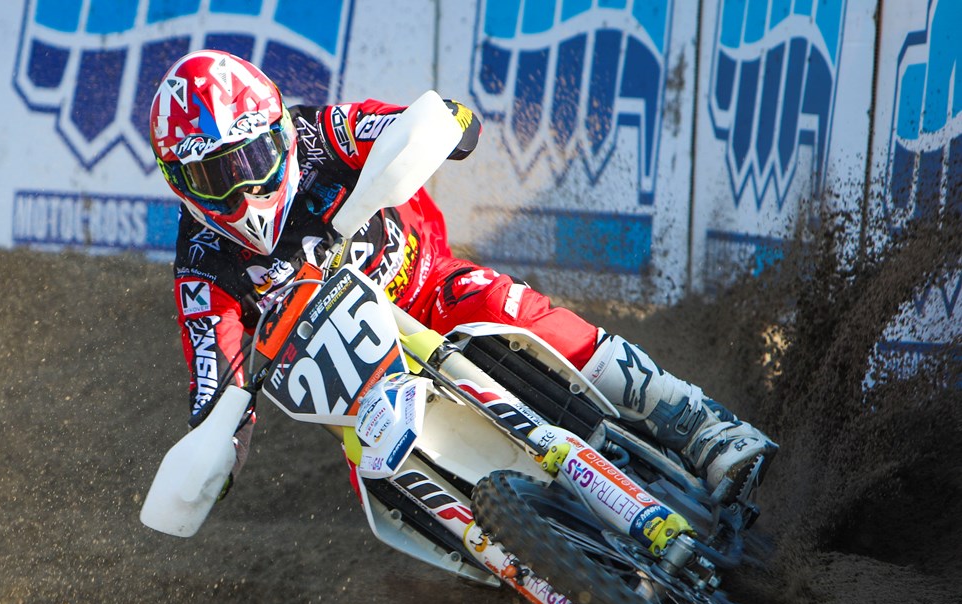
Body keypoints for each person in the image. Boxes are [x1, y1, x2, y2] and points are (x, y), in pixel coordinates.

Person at [149, 49, 776, 504]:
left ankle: (700, 425)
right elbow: (217, 388)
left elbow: (435, 122)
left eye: (251, 159)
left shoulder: (320, 134)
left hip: (420, 287)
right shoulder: (202, 265)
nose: (242, 190)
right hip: (352, 384)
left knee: (504, 306)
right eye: (214, 178)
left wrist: (440, 127)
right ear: (180, 184)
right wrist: (216, 458)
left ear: (279, 131)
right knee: (383, 482)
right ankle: (508, 573)